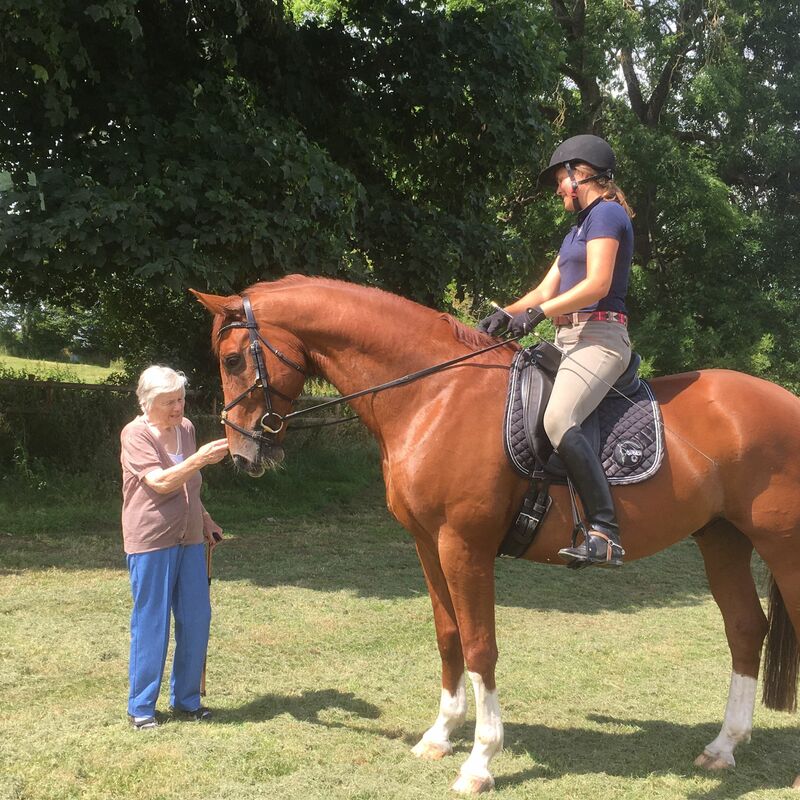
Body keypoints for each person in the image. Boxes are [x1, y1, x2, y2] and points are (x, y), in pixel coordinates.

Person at [477, 134, 634, 568]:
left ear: (578, 174)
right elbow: (546, 289)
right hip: (568, 340)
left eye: (559, 181)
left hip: (600, 339)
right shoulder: (576, 231)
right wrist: (504, 314)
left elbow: (597, 285)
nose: (557, 191)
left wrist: (540, 313)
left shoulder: (606, 215)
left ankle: (604, 531)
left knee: (558, 417)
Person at [120, 365, 229, 729]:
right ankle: (141, 708)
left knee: (197, 619)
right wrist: (201, 458)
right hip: (151, 540)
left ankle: (187, 700)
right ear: (148, 402)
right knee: (152, 623)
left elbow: (188, 486)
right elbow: (162, 482)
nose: (177, 408)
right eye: (169, 402)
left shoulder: (185, 429)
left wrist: (206, 518)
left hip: (191, 537)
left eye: (181, 399)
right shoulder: (135, 435)